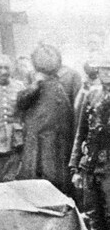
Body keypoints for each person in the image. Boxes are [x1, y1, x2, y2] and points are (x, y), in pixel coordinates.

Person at [70, 60, 110, 230]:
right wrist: (75, 167)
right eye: (103, 69)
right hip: (92, 167)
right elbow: (81, 133)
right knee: (96, 221)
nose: (106, 73)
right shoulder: (92, 95)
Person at [17, 44, 77, 194]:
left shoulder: (65, 81)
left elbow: (71, 114)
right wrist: (36, 84)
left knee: (54, 179)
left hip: (56, 140)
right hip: (36, 139)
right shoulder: (33, 82)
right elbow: (21, 103)